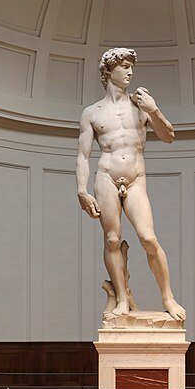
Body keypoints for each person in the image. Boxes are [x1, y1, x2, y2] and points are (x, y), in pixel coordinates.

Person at [76, 47, 186, 321]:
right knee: (112, 239)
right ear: (108, 71)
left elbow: (169, 136)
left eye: (131, 67)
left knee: (148, 238)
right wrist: (82, 191)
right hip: (106, 177)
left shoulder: (141, 105)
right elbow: (83, 155)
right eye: (124, 66)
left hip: (136, 179)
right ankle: (122, 299)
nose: (130, 72)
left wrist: (154, 110)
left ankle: (168, 297)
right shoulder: (92, 113)